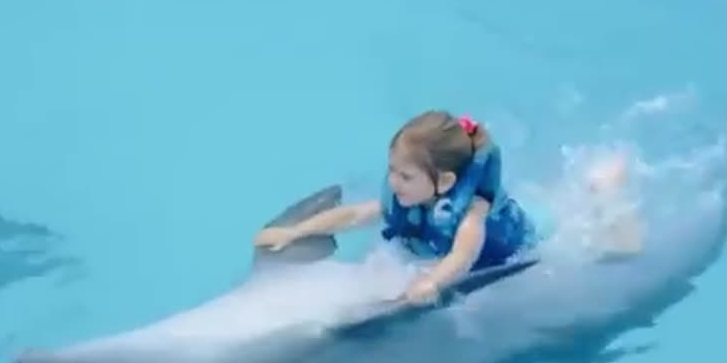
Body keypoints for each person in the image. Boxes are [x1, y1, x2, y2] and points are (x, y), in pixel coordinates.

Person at [253, 110, 642, 306]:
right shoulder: (410, 197)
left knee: (620, 256)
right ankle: (592, 187)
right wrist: (296, 232)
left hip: (531, 241)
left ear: (443, 183)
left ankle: (606, 190)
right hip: (490, 223)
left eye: (405, 177)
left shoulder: (470, 215)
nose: (393, 183)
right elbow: (353, 215)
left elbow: (464, 253)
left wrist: (433, 282)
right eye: (392, 172)